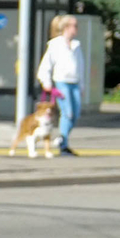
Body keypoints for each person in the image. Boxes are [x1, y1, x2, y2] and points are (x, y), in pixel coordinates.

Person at [35, 16, 86, 157]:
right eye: (74, 26)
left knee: (75, 114)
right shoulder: (55, 44)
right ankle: (63, 144)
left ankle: (62, 139)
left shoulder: (76, 45)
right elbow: (45, 65)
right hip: (62, 82)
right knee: (67, 113)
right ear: (66, 27)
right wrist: (46, 82)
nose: (76, 29)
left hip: (74, 83)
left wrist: (82, 85)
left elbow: (80, 67)